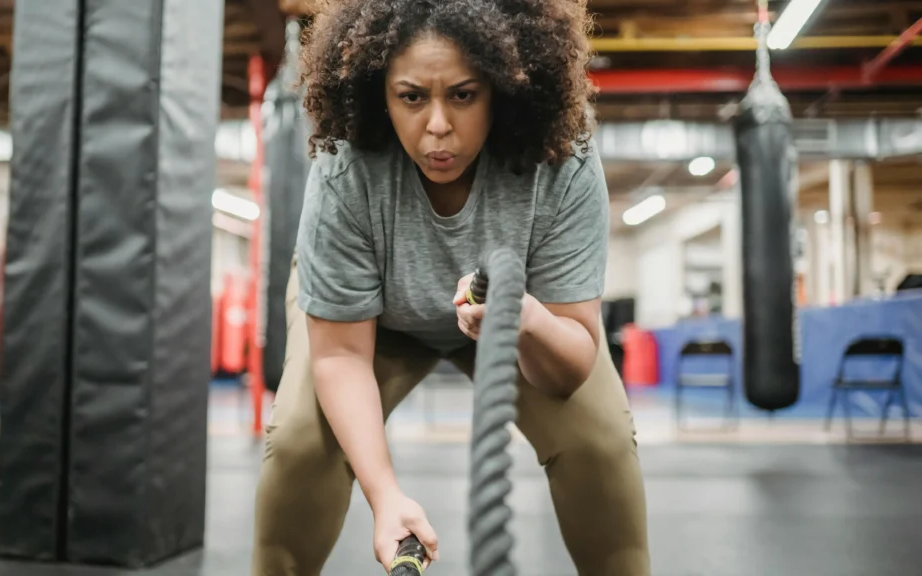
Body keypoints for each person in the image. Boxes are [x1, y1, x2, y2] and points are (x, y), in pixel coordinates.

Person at [251, 0, 650, 574]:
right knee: (298, 448)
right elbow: (339, 355)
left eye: (463, 94)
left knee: (602, 442)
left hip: (518, 321)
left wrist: (529, 320)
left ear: (503, 89)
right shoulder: (346, 166)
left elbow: (569, 366)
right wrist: (385, 496)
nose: (437, 125)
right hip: (373, 325)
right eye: (411, 97)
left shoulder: (563, 160)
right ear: (379, 93)